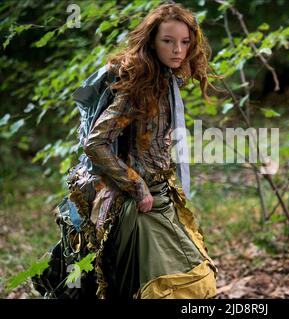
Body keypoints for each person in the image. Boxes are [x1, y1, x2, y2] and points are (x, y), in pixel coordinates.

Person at [82, 3, 218, 299]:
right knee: (171, 287)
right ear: (152, 42)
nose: (177, 50)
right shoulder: (139, 89)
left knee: (190, 282)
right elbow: (95, 142)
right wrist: (137, 185)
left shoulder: (168, 79)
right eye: (168, 41)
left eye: (184, 42)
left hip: (163, 194)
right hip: (139, 204)